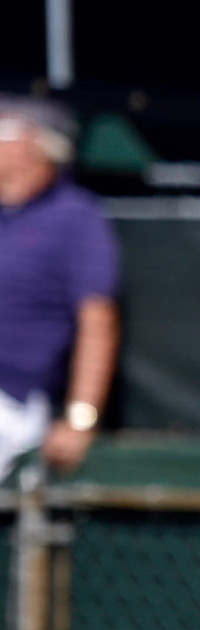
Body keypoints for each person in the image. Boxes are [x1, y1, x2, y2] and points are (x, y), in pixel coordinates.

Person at [0, 95, 120, 480]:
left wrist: (81, 419)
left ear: (38, 146)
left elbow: (98, 320)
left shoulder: (76, 216)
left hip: (12, 404)